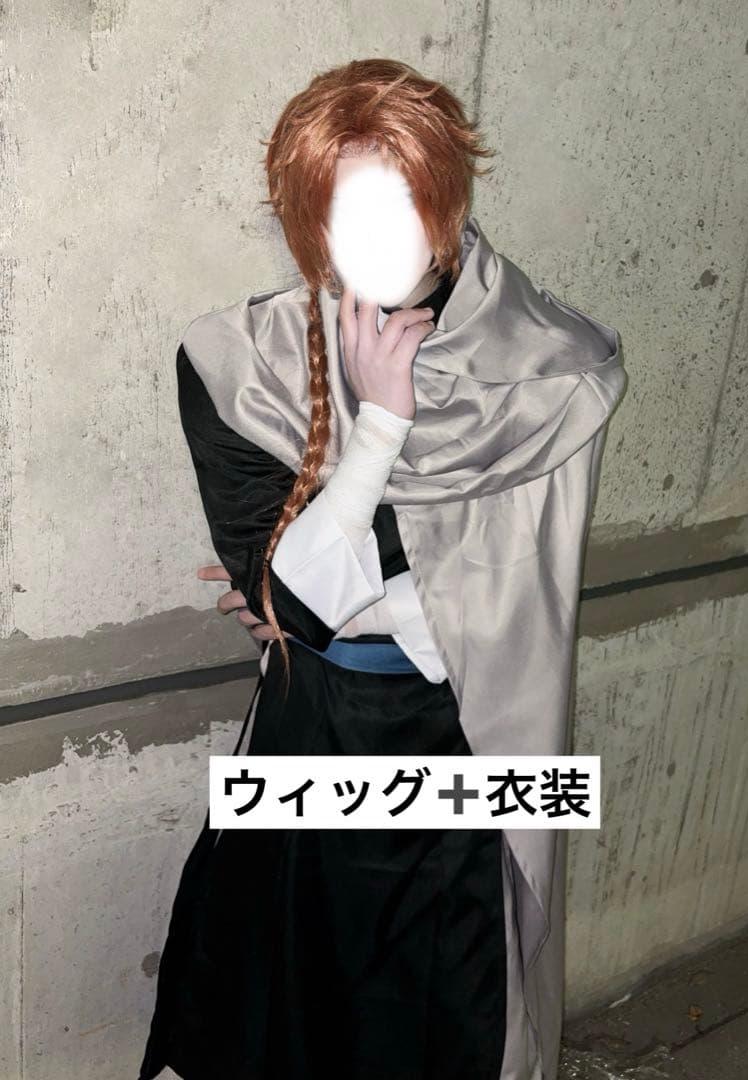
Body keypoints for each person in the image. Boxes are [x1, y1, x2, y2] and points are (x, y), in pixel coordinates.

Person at [138, 58, 627, 1080]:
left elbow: (489, 609)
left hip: (467, 740)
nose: (371, 236)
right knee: (277, 999)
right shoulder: (244, 363)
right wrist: (381, 430)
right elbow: (298, 603)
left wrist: (355, 596)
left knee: (442, 1016)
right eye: (337, 208)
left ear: (447, 193)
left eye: (398, 200)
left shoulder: (552, 368)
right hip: (308, 726)